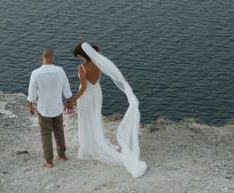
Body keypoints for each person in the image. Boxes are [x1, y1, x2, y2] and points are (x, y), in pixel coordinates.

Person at [66, 41, 147, 178]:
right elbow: (111, 72)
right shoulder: (98, 63)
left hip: (86, 97)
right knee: (95, 117)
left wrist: (72, 101)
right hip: (97, 93)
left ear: (82, 55)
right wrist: (122, 78)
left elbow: (84, 87)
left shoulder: (82, 68)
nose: (79, 58)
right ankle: (96, 142)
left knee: (86, 119)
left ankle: (89, 146)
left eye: (79, 55)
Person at [27, 48, 73, 168]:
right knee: (59, 131)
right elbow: (66, 89)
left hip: (44, 109)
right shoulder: (60, 71)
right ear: (52, 57)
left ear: (42, 57)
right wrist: (69, 102)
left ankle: (48, 161)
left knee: (45, 134)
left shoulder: (35, 73)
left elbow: (32, 93)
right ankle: (62, 155)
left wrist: (30, 104)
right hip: (57, 107)